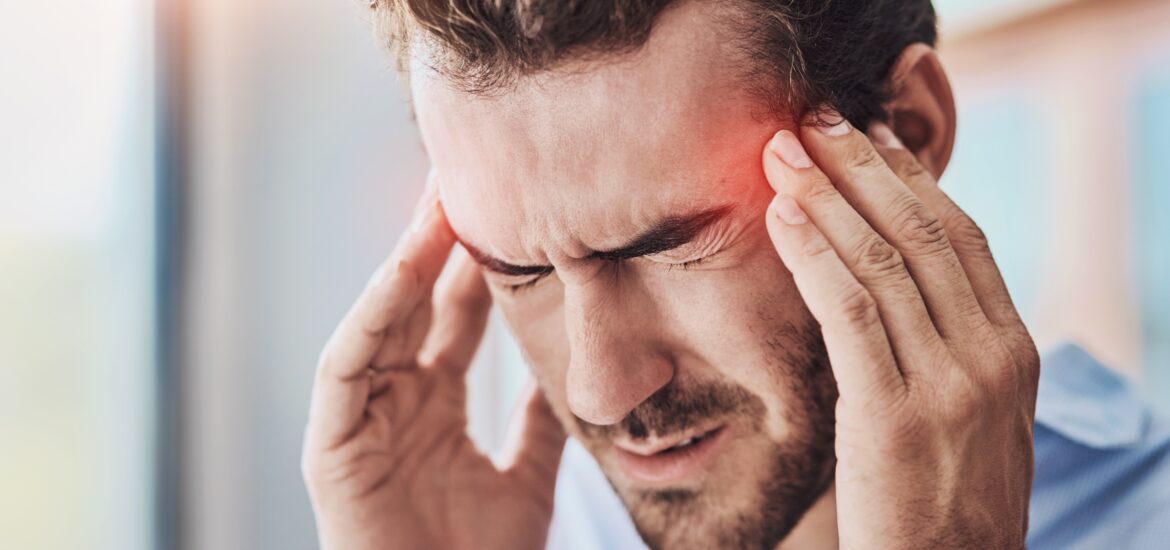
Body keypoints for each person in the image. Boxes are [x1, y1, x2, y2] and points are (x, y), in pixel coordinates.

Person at [301, 1, 1170, 548]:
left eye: (670, 246)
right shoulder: (548, 527)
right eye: (519, 268)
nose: (603, 394)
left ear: (906, 129)